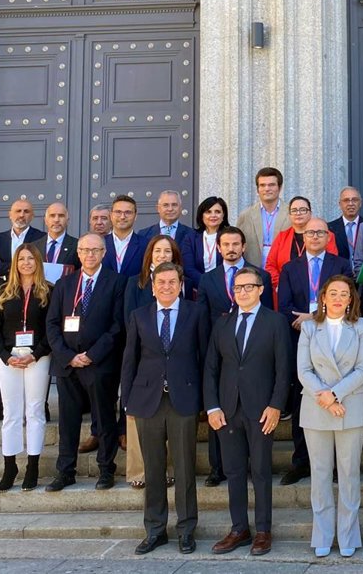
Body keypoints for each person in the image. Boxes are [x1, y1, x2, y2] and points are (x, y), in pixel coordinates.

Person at [121, 262, 209, 555]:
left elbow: (205, 358)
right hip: (147, 401)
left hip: (184, 399)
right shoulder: (139, 316)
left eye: (172, 282)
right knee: (153, 468)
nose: (167, 287)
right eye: (161, 282)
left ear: (181, 285)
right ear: (153, 286)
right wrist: (127, 401)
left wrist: (206, 401)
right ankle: (155, 530)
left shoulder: (196, 313)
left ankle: (186, 529)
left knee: (184, 468)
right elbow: (130, 360)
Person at [205, 266, 291, 556]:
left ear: (261, 289)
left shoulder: (275, 322)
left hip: (262, 409)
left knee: (261, 470)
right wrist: (212, 406)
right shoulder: (223, 323)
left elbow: (284, 369)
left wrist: (276, 405)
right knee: (233, 470)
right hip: (228, 409)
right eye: (238, 287)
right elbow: (211, 368)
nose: (242, 292)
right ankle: (239, 529)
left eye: (249, 287)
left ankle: (263, 530)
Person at [297, 274, 363, 558]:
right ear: (323, 297)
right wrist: (328, 399)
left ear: (351, 299)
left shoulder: (361, 327)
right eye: (333, 293)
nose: (339, 298)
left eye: (344, 294)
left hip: (349, 407)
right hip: (316, 408)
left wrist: (335, 394)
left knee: (349, 474)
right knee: (319, 475)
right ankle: (322, 535)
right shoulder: (309, 327)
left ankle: (348, 535)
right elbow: (303, 370)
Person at [277, 218, 354, 486]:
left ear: (328, 236)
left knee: (335, 395)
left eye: (320, 232)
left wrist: (312, 316)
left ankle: (334, 464)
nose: (315, 236)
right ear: (303, 236)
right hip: (300, 338)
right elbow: (284, 306)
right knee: (303, 401)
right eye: (310, 232)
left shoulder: (341, 265)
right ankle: (301, 462)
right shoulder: (290, 267)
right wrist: (304, 321)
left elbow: (346, 301)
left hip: (334, 340)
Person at [45, 233, 125, 492]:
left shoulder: (117, 282)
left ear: (104, 253)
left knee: (104, 419)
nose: (90, 255)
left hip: (100, 365)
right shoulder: (65, 284)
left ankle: (106, 470)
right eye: (85, 250)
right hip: (68, 365)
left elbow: (118, 326)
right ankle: (65, 471)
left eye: (95, 250)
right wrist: (68, 356)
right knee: (67, 422)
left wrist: (92, 355)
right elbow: (52, 324)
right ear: (78, 253)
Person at [194, 226, 271, 487]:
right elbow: (202, 318)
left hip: (252, 353)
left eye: (235, 244)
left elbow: (267, 314)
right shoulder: (208, 279)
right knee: (220, 408)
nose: (231, 249)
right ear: (218, 248)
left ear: (244, 246)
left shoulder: (260, 276)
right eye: (225, 244)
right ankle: (218, 468)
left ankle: (249, 464)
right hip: (221, 350)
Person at [122, 234, 183, 489]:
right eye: (157, 251)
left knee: (169, 424)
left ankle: (168, 470)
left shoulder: (181, 282)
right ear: (150, 255)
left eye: (167, 251)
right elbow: (128, 321)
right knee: (139, 420)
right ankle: (138, 472)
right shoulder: (134, 283)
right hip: (144, 360)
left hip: (173, 364)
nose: (162, 255)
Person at [0, 243, 52, 492]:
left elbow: (51, 330)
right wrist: (6, 356)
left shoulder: (48, 291)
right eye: (22, 259)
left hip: (37, 358)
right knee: (11, 413)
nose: (26, 263)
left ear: (38, 262)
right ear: (15, 263)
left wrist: (36, 354)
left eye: (31, 258)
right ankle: (10, 467)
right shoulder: (3, 291)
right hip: (9, 359)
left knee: (35, 411)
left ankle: (32, 466)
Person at [0, 199, 47, 426]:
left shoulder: (41, 238)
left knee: (40, 351)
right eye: (17, 211)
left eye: (26, 211)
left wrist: (6, 265)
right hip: (4, 301)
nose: (22, 215)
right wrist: (19, 266)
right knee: (0, 353)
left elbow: (41, 266)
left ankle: (40, 404)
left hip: (34, 302)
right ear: (10, 214)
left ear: (33, 215)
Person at [265, 196, 337, 298]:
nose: (298, 213)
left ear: (310, 213)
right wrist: (282, 284)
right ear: (289, 215)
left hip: (319, 291)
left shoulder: (325, 235)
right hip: (288, 292)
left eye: (303, 210)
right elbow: (270, 265)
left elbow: (332, 263)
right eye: (294, 210)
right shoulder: (282, 237)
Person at [236, 166, 290, 269]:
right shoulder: (245, 216)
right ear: (258, 189)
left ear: (280, 187)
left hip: (282, 270)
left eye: (271, 185)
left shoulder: (291, 214)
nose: (267, 189)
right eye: (262, 185)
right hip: (253, 270)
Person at [182, 196, 228, 294]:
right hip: (198, 289)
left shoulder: (230, 236)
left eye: (217, 212)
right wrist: (206, 284)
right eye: (208, 212)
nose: (213, 215)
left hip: (224, 288)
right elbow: (188, 268)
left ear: (223, 215)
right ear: (201, 215)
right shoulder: (191, 238)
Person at [102, 195, 147, 280]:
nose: (122, 217)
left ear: (135, 216)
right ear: (111, 215)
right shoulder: (100, 242)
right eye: (118, 212)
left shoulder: (146, 244)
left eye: (128, 212)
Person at [329, 186, 363, 261]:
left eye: (354, 200)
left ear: (360, 203)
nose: (351, 203)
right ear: (340, 204)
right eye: (346, 200)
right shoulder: (330, 228)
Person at [42, 201, 80, 272]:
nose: (56, 220)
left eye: (61, 216)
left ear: (67, 221)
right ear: (46, 221)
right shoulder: (35, 246)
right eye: (52, 216)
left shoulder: (77, 245)